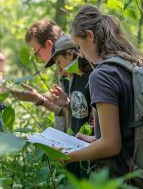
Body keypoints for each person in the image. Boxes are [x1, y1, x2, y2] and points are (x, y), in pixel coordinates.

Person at [65, 5, 143, 182]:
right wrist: (94, 139)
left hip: (116, 178)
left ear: (90, 36)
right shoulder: (135, 64)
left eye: (79, 46)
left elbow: (111, 145)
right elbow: (128, 127)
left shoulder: (102, 75)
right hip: (142, 174)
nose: (81, 55)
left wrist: (69, 156)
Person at [46, 35, 93, 178]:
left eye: (59, 62)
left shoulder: (93, 77)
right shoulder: (73, 79)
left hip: (89, 154)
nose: (59, 69)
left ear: (69, 53)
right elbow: (80, 111)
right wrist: (67, 103)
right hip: (74, 151)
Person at [13, 19, 69, 131]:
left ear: (48, 44)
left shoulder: (71, 69)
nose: (36, 57)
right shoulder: (63, 66)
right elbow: (67, 106)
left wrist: (39, 100)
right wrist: (39, 97)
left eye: (36, 52)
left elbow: (72, 112)